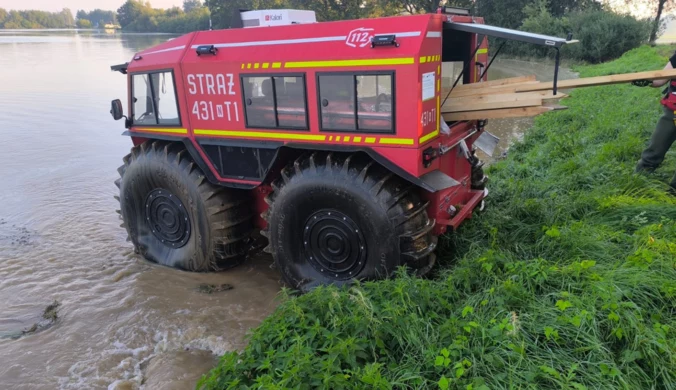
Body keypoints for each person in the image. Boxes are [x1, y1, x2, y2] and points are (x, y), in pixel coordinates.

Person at [633, 52, 676, 191]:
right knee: (655, 149)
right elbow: (660, 79)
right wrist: (647, 81)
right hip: (672, 112)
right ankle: (636, 185)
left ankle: (673, 194)